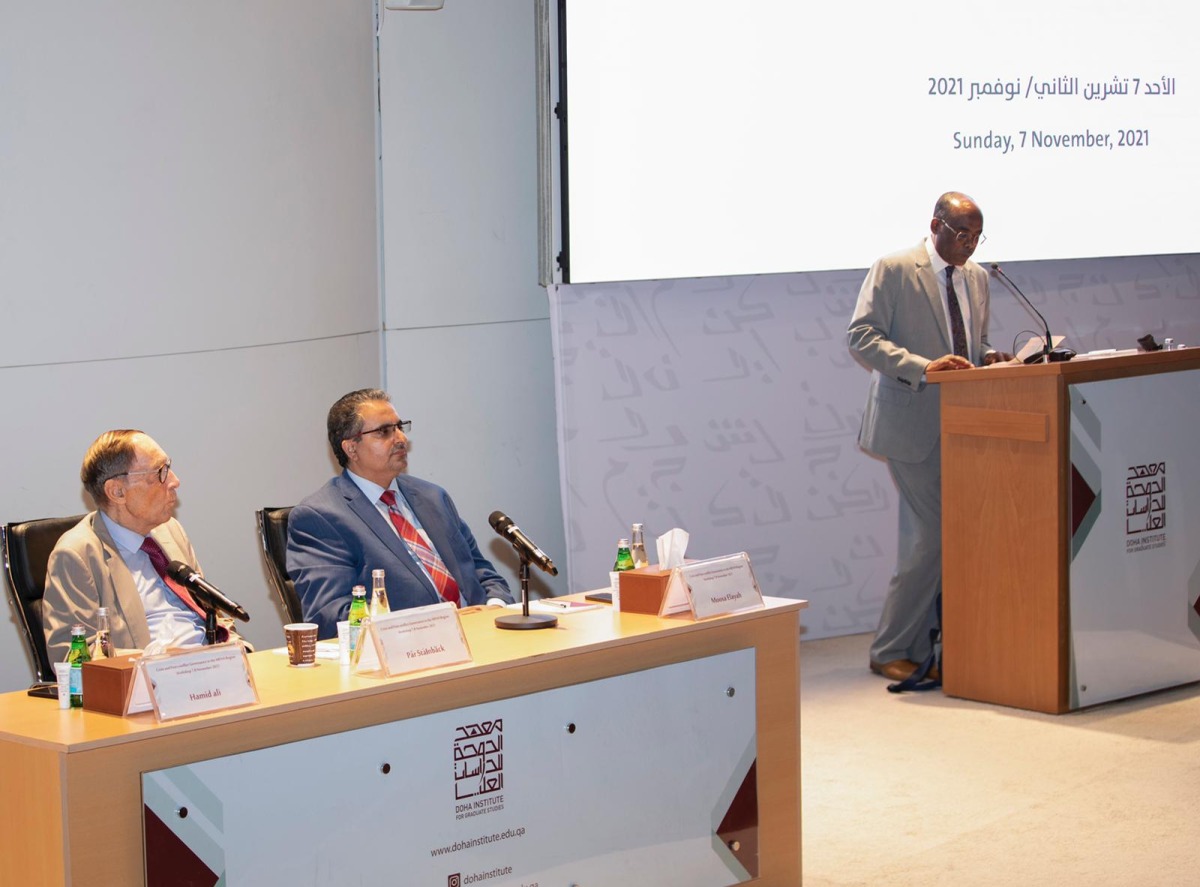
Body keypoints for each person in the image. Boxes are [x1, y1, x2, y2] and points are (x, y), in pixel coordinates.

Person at [847, 191, 1013, 682]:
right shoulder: (896, 268)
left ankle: (929, 646)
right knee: (931, 539)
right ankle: (890, 648)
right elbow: (862, 336)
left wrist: (994, 358)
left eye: (978, 237)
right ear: (936, 225)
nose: (970, 245)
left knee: (951, 537)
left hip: (965, 424)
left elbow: (972, 345)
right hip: (910, 422)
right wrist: (924, 368)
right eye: (962, 235)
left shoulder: (978, 278)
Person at [287, 388, 514, 638]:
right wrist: (432, 626)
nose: (400, 439)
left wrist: (494, 607)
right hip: (407, 653)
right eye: (384, 432)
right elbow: (330, 614)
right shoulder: (320, 516)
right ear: (351, 448)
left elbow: (482, 574)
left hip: (480, 637)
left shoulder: (433, 497)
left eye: (399, 427)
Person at [43, 430, 237, 663]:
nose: (175, 481)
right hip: (149, 684)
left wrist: (234, 648)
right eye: (160, 472)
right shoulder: (76, 555)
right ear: (117, 491)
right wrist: (163, 663)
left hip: (210, 670)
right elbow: (72, 658)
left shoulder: (170, 531)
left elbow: (207, 612)